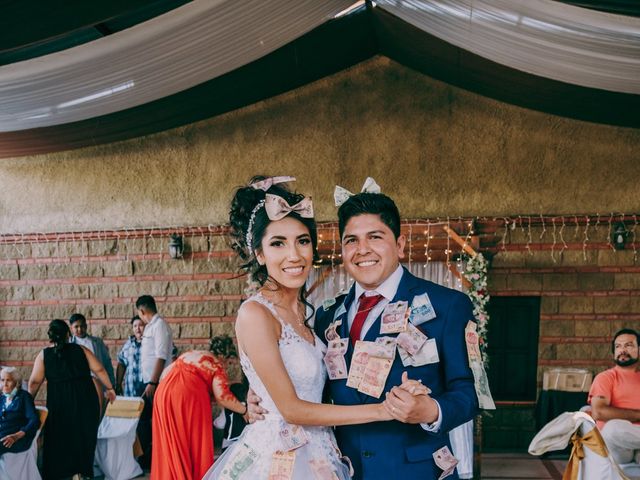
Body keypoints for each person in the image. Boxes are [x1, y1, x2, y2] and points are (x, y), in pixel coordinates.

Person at [204, 176, 426, 480]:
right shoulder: (255, 314)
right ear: (259, 254)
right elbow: (292, 409)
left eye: (303, 241)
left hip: (322, 453)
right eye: (278, 243)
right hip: (279, 458)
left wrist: (407, 392)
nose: (294, 255)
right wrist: (383, 409)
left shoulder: (313, 316)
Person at [249, 185, 478, 479]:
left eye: (375, 237)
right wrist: (258, 399)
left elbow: (469, 394)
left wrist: (431, 410)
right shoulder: (325, 315)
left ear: (400, 244)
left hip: (415, 471)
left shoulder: (448, 306)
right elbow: (309, 382)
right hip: (343, 469)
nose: (363, 250)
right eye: (351, 240)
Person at [28, 319, 116, 480]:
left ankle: (62, 474)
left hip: (59, 402)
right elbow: (100, 369)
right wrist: (110, 388)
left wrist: (28, 402)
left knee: (60, 436)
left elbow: (34, 382)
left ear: (51, 335)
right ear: (68, 334)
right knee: (83, 435)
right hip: (85, 400)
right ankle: (81, 472)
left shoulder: (44, 355)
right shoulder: (81, 350)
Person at [151, 346, 247, 480]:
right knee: (192, 444)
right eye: (230, 362)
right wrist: (245, 411)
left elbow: (165, 374)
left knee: (172, 443)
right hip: (187, 394)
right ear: (223, 356)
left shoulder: (191, 354)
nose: (227, 366)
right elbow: (223, 397)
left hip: (162, 393)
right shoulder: (216, 363)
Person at [588, 328, 640, 465]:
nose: (622, 350)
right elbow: (599, 412)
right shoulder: (605, 378)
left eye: (628, 345)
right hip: (617, 443)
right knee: (613, 428)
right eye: (618, 346)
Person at [135, 294, 173, 469]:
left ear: (142, 311)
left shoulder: (159, 326)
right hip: (148, 381)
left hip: (156, 382)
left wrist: (152, 382)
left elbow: (161, 355)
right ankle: (147, 458)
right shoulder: (151, 327)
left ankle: (155, 459)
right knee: (144, 420)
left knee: (157, 421)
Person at [70, 313, 116, 408]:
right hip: (79, 386)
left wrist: (111, 384)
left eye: (82, 326)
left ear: (86, 326)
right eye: (76, 327)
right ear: (71, 328)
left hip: (98, 384)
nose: (80, 329)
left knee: (99, 411)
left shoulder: (97, 342)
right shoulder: (69, 344)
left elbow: (107, 363)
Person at [0, 367, 39, 456]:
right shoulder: (2, 399)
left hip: (15, 439)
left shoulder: (24, 397)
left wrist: (17, 436)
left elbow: (34, 420)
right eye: (2, 380)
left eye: (8, 380)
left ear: (16, 383)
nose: (5, 384)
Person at [116, 315, 146, 397]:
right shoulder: (128, 344)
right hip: (131, 389)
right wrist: (118, 384)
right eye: (135, 326)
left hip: (147, 389)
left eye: (141, 325)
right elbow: (121, 363)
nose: (138, 328)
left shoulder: (151, 343)